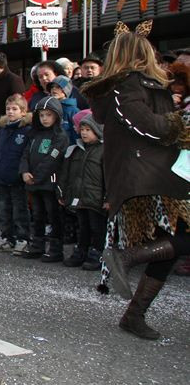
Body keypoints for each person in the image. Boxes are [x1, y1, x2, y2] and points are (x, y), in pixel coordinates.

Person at [82, 22, 190, 340]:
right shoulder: (129, 83)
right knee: (181, 238)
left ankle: (134, 314)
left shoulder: (136, 83)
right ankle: (125, 258)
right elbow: (144, 125)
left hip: (153, 172)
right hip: (149, 175)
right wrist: (178, 123)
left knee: (170, 245)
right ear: (141, 53)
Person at [17, 97, 69, 260]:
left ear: (56, 116)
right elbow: (25, 153)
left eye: (48, 115)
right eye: (42, 115)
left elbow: (52, 159)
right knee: (37, 214)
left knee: (53, 215)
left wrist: (36, 177)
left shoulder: (60, 136)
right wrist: (24, 171)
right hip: (33, 182)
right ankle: (37, 244)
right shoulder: (35, 134)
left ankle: (55, 249)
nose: (45, 119)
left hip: (50, 183)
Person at [57, 112, 106, 270]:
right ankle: (81, 250)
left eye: (88, 130)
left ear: (97, 131)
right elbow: (66, 174)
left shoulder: (104, 151)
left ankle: (97, 252)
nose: (84, 132)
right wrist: (62, 192)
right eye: (82, 129)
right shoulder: (75, 150)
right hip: (79, 196)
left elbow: (110, 177)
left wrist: (109, 198)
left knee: (96, 227)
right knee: (82, 226)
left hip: (96, 198)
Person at [0, 95, 32, 252]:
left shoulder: (26, 131)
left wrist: (22, 172)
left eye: (15, 109)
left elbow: (26, 155)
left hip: (17, 177)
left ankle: (23, 237)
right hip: (1, 175)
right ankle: (7, 236)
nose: (11, 112)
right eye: (8, 109)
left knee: (19, 208)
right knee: (4, 208)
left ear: (23, 111)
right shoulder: (3, 131)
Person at [48, 76, 79, 144]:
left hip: (66, 150)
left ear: (66, 90)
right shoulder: (47, 108)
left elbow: (76, 136)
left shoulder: (73, 111)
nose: (54, 89)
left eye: (58, 87)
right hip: (48, 149)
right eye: (52, 87)